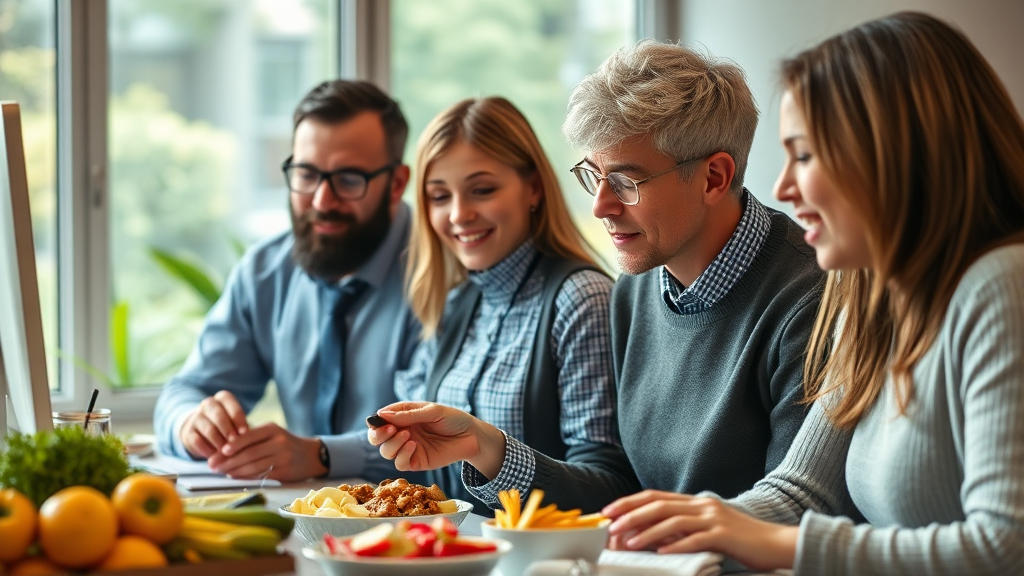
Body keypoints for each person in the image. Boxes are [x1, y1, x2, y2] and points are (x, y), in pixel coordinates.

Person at [601, 12, 1024, 575]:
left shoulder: (1002, 286)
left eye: (804, 155)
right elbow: (803, 494)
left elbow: (1006, 547)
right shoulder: (869, 297)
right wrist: (694, 526)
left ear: (892, 154)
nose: (783, 187)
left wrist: (779, 546)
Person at [560, 40, 824, 499]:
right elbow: (625, 492)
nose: (600, 206)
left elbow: (793, 513)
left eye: (624, 181)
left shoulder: (811, 299)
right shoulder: (633, 291)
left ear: (714, 178)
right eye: (593, 175)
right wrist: (490, 450)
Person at [367, 97, 639, 515]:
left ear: (533, 188)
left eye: (482, 190)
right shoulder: (457, 302)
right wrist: (324, 452)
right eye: (439, 196)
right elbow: (410, 451)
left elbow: (608, 489)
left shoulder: (581, 298)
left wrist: (485, 446)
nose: (459, 214)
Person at [154, 80, 421, 483]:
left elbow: (444, 437)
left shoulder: (443, 276)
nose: (321, 201)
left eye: (349, 180)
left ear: (397, 184)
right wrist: (191, 422)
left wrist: (322, 456)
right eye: (307, 174)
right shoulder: (266, 270)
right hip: (301, 515)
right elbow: (186, 390)